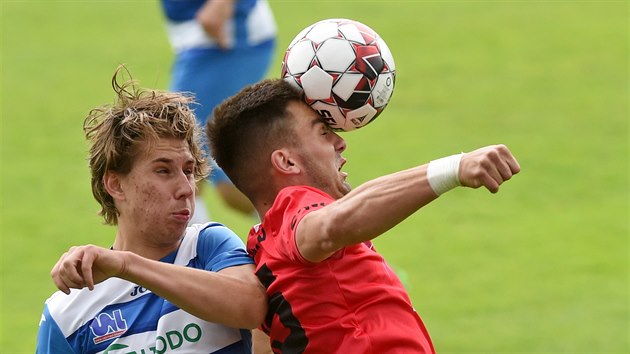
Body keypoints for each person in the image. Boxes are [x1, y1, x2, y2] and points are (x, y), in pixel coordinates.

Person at [206, 78, 521, 353]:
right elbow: (330, 225)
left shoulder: (262, 252)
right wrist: (453, 169)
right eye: (322, 133)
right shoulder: (295, 206)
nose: (340, 142)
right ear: (286, 163)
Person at [35, 66, 267, 354]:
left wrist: (126, 265)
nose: (186, 188)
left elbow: (251, 307)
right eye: (163, 170)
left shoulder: (207, 247)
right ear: (116, 185)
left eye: (188, 170)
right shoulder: (66, 315)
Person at [160, 0, 277, 222]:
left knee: (177, 150)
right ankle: (304, 230)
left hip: (224, 41)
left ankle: (304, 229)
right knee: (186, 161)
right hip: (202, 40)